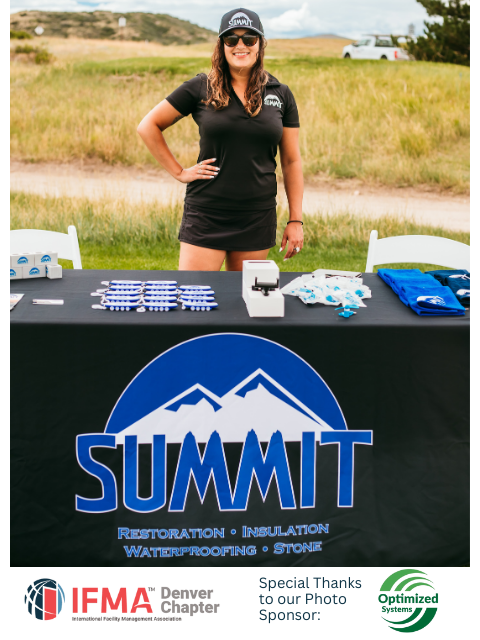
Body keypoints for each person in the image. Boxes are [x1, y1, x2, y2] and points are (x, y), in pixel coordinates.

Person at [137, 7, 303, 271]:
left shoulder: (280, 93)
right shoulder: (200, 87)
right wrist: (179, 172)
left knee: (243, 304)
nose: (241, 45)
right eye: (231, 39)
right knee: (194, 301)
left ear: (260, 45)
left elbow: (291, 160)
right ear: (221, 45)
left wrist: (296, 219)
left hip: (256, 215)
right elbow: (148, 126)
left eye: (249, 39)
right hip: (206, 213)